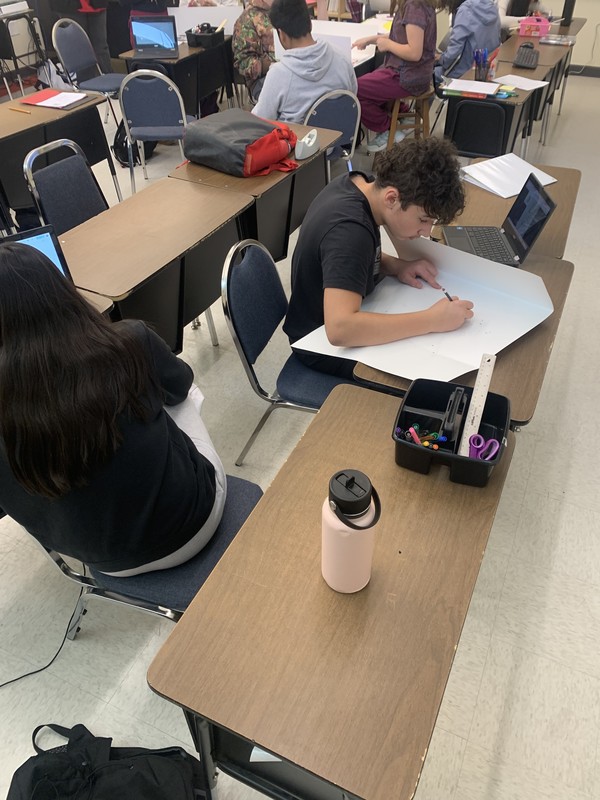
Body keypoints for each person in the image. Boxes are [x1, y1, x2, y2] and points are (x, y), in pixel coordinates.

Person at [0, 244, 227, 576]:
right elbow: (180, 387)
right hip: (193, 525)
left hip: (101, 561)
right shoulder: (128, 340)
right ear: (60, 290)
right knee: (176, 396)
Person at [283, 137, 473, 379]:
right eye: (423, 220)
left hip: (338, 319)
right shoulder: (350, 231)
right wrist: (431, 320)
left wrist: (395, 265)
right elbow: (340, 329)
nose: (426, 232)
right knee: (432, 377)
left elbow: (342, 261)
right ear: (392, 198)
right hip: (319, 344)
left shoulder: (358, 183)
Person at [252, 0, 357, 124]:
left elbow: (260, 120)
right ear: (310, 24)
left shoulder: (279, 74)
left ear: (282, 35)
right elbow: (352, 98)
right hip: (341, 140)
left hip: (298, 142)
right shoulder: (342, 59)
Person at [353, 0, 438, 153]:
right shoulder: (415, 5)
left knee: (355, 88)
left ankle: (388, 128)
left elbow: (414, 53)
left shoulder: (414, 7)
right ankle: (403, 114)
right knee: (368, 81)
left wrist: (387, 45)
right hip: (412, 73)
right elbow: (401, 35)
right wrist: (371, 39)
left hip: (407, 75)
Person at [434, 0, 501, 84]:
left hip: (464, 72)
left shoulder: (465, 10)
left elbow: (454, 51)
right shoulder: (492, 6)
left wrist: (441, 58)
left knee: (429, 74)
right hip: (485, 71)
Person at [49, 0, 111, 75]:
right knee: (80, 50)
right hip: (70, 7)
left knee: (101, 47)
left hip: (97, 5)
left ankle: (108, 78)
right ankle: (86, 84)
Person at [233, 0, 275, 102]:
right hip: (264, 80)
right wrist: (269, 65)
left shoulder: (287, 8)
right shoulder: (247, 19)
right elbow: (243, 62)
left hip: (291, 71)